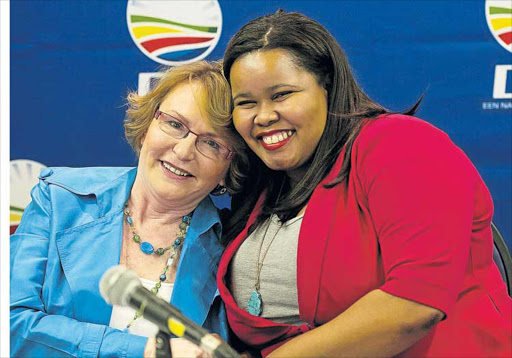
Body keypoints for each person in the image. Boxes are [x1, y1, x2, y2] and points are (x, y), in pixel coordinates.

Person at [217, 10, 512, 358]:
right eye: (246, 103)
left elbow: (414, 306)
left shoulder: (401, 144)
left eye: (281, 94)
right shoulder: (264, 188)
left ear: (327, 85)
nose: (263, 116)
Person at [10, 61, 247, 358]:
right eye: (175, 124)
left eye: (212, 143)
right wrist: (145, 351)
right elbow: (10, 326)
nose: (184, 151)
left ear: (228, 168)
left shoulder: (232, 250)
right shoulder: (60, 199)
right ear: (148, 126)